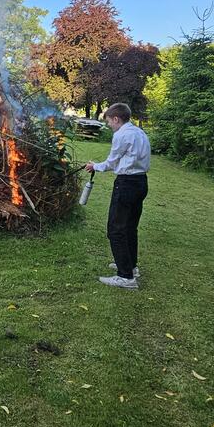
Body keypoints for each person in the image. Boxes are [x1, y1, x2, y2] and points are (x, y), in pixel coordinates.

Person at [87, 102, 151, 290]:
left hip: (126, 184)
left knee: (115, 229)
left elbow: (112, 163)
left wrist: (94, 166)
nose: (109, 126)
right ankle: (130, 266)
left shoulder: (121, 135)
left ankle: (126, 277)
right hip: (141, 183)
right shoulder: (139, 133)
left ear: (116, 118)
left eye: (109, 122)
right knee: (130, 227)